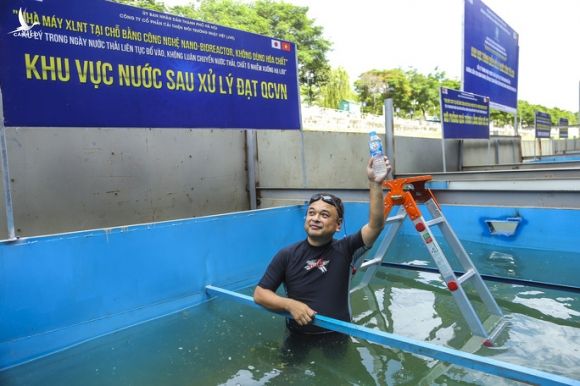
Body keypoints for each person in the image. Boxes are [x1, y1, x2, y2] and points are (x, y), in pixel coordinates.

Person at [253, 156, 391, 337]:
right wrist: (290, 304)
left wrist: (374, 183)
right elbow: (260, 293)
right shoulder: (287, 255)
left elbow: (376, 225)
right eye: (311, 213)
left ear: (338, 224)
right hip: (297, 335)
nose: (316, 218)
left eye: (324, 215)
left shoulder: (346, 249)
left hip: (337, 334)